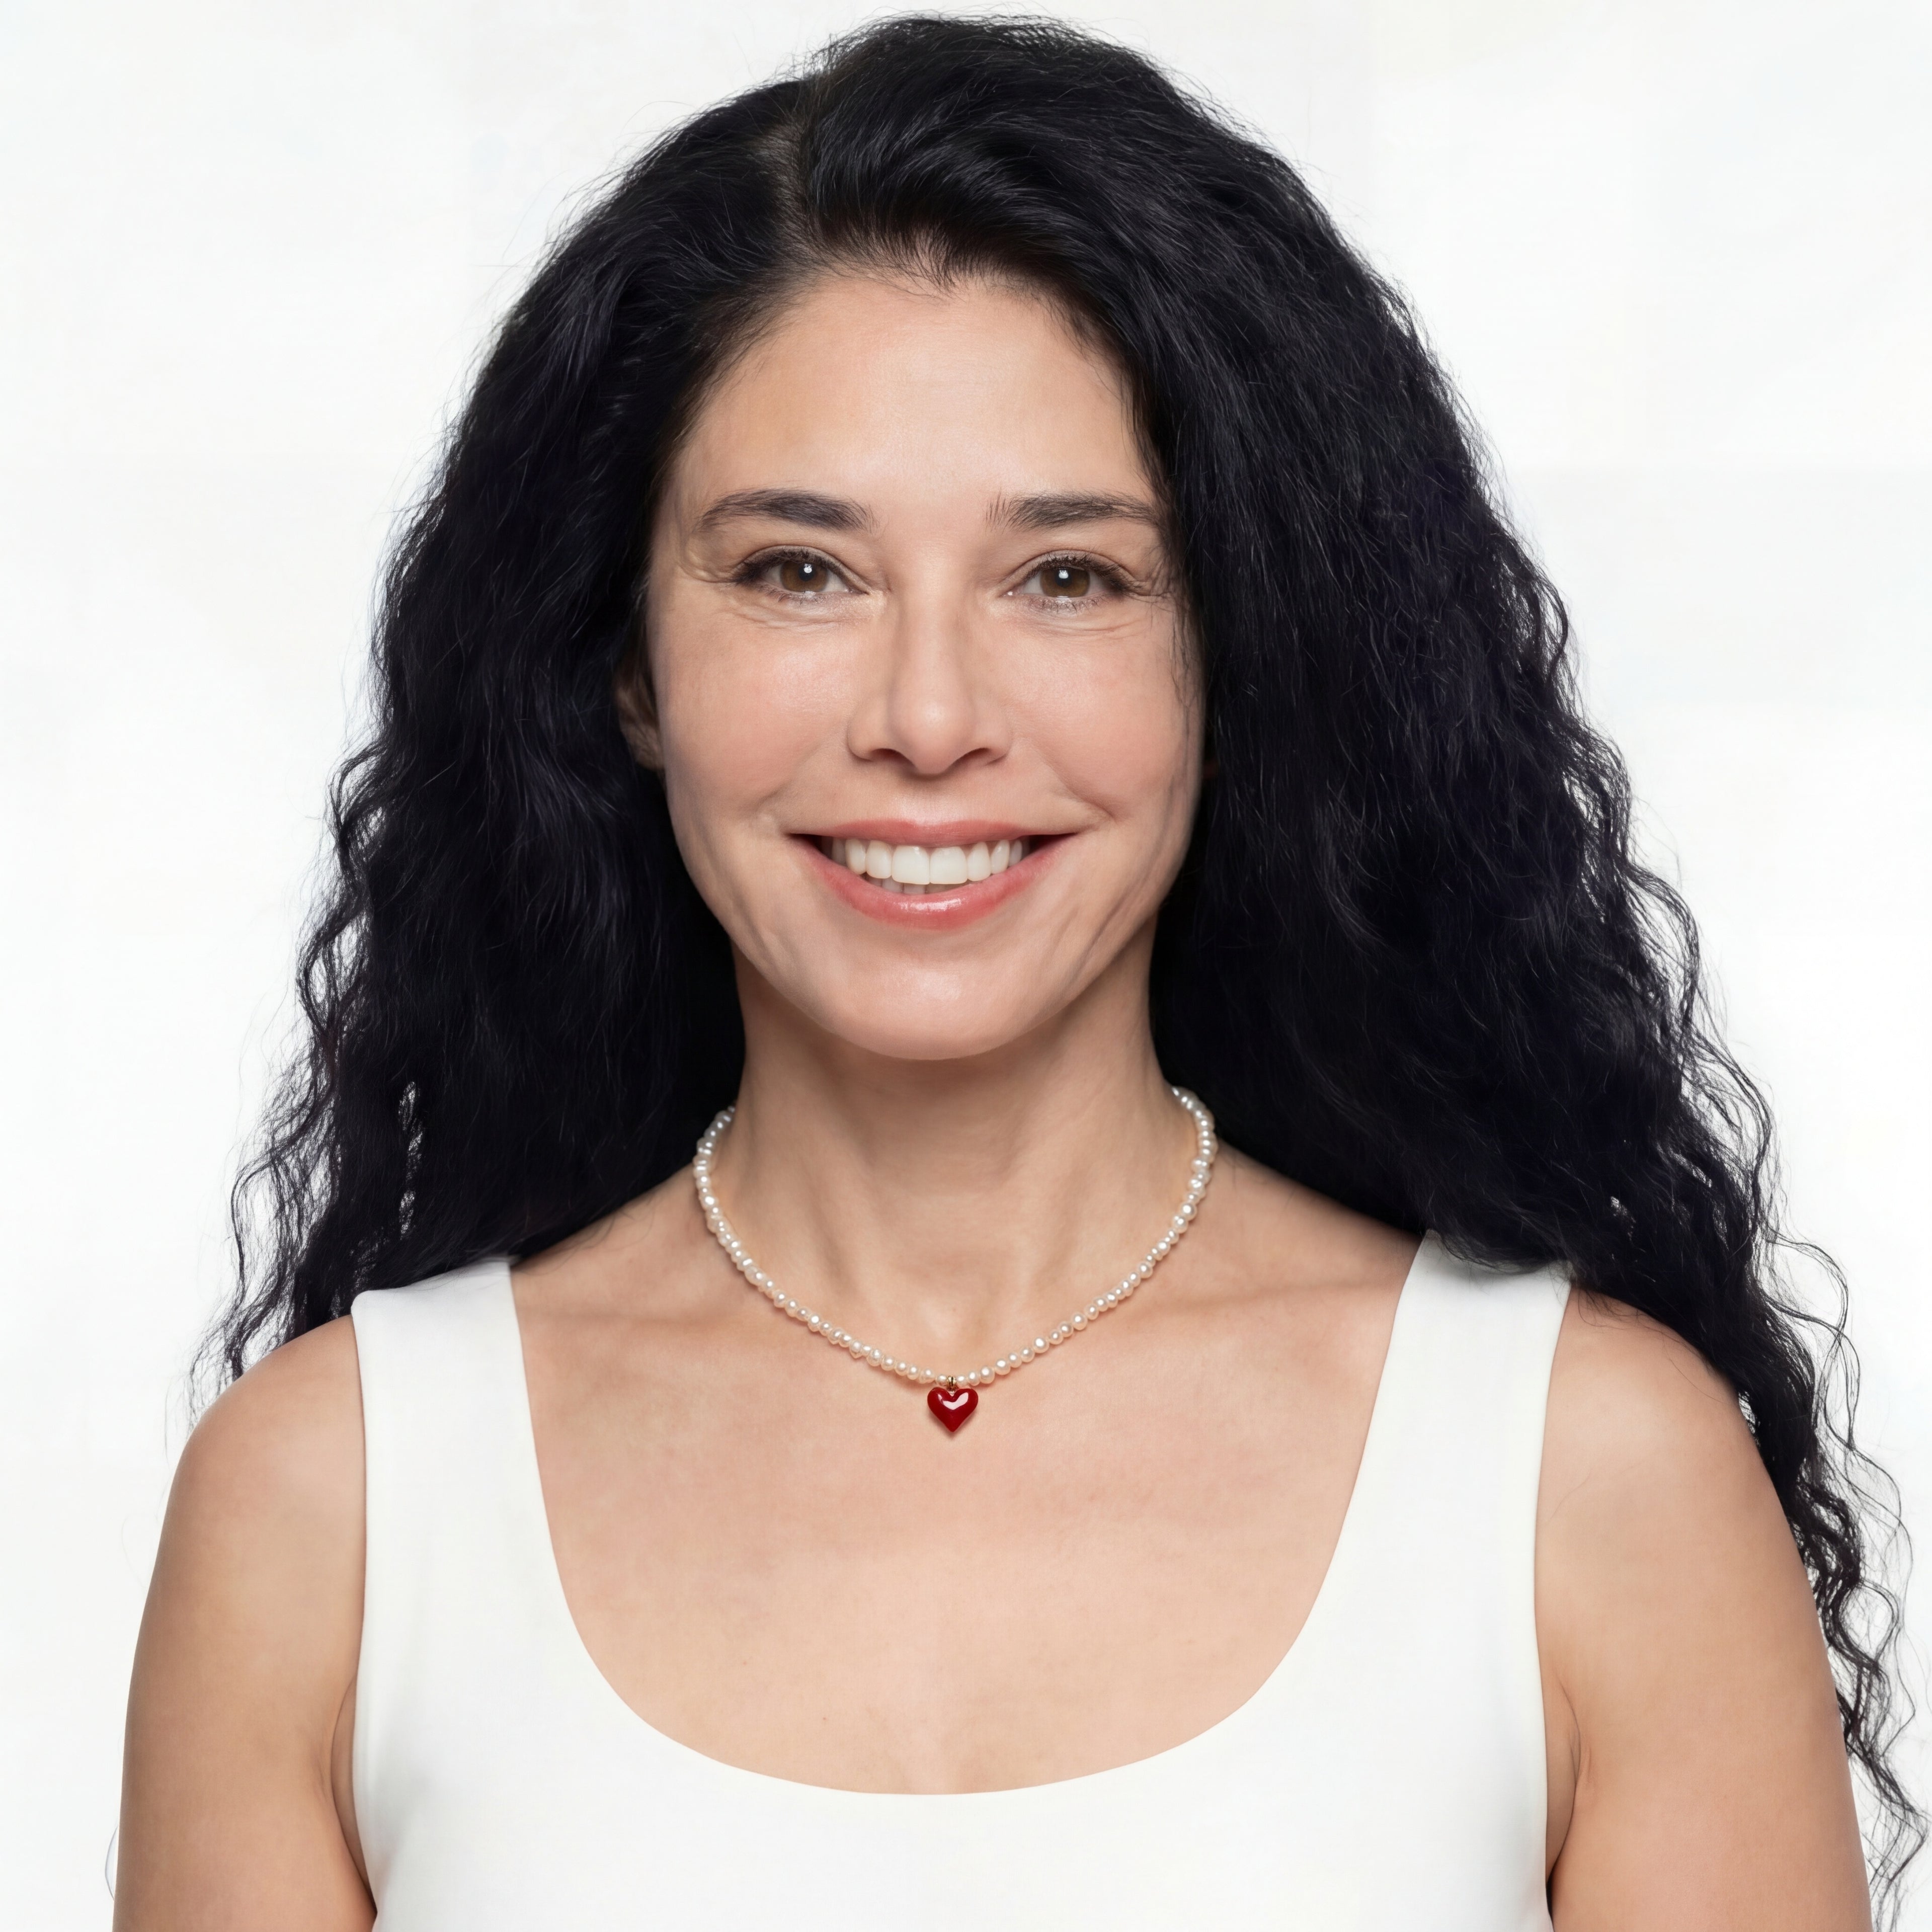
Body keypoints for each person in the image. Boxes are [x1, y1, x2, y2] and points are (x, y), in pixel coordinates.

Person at [114, 16, 1915, 1929]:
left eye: (1070, 577)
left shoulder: (1588, 1478)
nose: (927, 717)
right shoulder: (328, 1506)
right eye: (798, 571)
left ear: (1239, 653)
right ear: (625, 663)